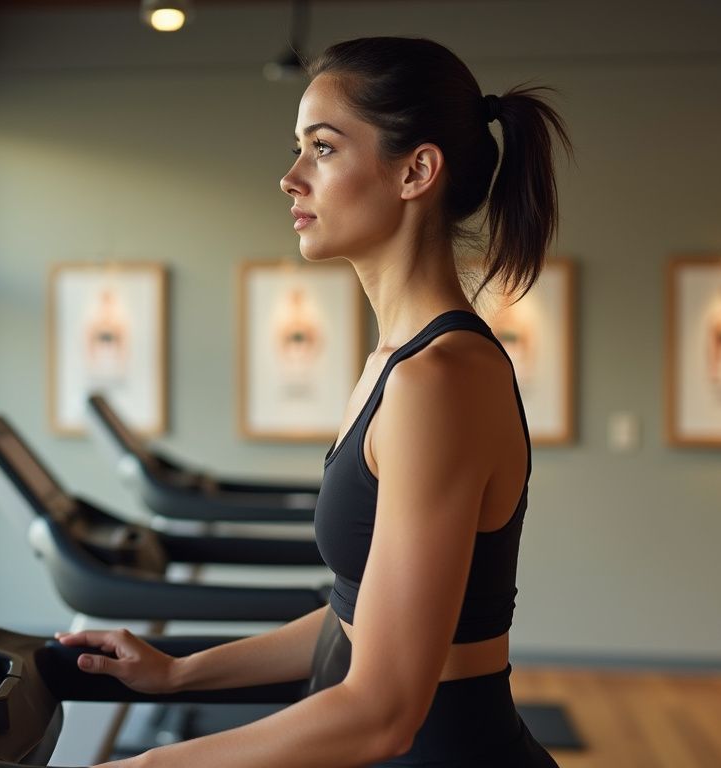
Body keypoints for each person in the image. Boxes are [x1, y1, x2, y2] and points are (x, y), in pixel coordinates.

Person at [56, 36, 568, 767]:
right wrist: (178, 672)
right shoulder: (394, 367)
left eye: (322, 149)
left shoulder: (440, 381)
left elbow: (384, 713)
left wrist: (142, 765)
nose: (291, 178)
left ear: (416, 171)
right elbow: (357, 615)